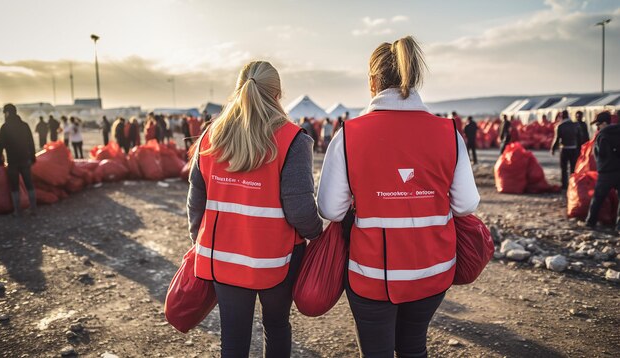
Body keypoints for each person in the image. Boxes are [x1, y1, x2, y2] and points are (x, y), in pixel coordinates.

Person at [318, 35, 479, 358]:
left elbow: (330, 209)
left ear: (373, 82)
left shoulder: (349, 134)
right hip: (433, 270)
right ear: (413, 77)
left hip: (372, 274)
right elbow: (466, 204)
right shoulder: (449, 133)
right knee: (413, 346)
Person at [187, 60, 322, 356]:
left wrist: (199, 238)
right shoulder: (292, 139)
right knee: (276, 326)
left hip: (223, 257)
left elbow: (196, 198)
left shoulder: (211, 136)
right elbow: (299, 209)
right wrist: (317, 235)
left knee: (233, 337)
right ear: (277, 95)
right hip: (277, 260)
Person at [0, 104, 38, 216]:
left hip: (12, 162)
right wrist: (32, 157)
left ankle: (17, 211)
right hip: (25, 160)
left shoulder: (5, 127)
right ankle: (33, 209)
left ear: (7, 113)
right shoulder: (24, 125)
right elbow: (31, 143)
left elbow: (0, 145)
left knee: (14, 186)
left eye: (5, 113)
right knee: (29, 184)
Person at [585, 112, 620, 231]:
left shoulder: (602, 135)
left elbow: (602, 154)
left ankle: (591, 222)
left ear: (605, 123)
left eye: (598, 125)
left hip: (606, 173)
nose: (597, 127)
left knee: (598, 198)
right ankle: (619, 226)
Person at [551, 110, 581, 190]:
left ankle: (564, 185)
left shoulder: (560, 126)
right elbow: (579, 137)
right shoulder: (575, 125)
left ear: (561, 116)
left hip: (564, 148)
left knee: (564, 168)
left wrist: (553, 148)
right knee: (573, 167)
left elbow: (557, 139)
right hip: (574, 148)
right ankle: (573, 184)